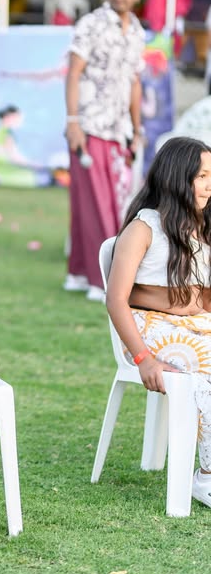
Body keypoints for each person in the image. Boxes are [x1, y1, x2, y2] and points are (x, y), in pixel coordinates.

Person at [106, 136, 211, 509]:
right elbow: (115, 300)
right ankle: (206, 477)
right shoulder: (144, 228)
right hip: (148, 329)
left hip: (196, 325)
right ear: (177, 178)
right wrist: (143, 359)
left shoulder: (204, 227)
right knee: (206, 361)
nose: (209, 185)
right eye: (202, 176)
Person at [64, 0, 146, 303]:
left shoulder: (137, 31)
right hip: (89, 125)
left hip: (119, 129)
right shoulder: (92, 24)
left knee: (108, 201)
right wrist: (73, 122)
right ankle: (101, 280)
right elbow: (73, 72)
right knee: (97, 204)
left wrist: (137, 129)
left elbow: (134, 82)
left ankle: (78, 273)